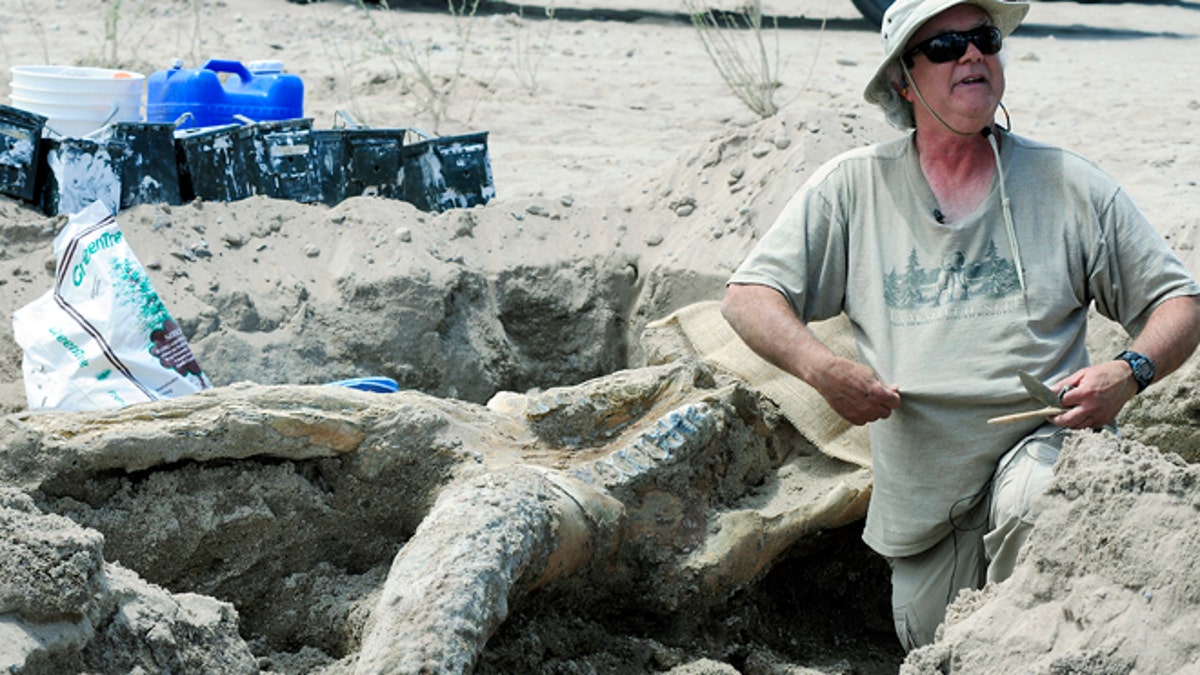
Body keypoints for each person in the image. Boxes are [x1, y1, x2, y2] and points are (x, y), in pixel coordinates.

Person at [720, 0, 1200, 652]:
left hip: (1041, 441)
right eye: (945, 46)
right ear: (903, 80)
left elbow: (1181, 300)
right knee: (932, 637)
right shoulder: (853, 189)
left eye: (984, 38)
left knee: (1040, 504)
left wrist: (1129, 371)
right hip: (926, 502)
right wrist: (821, 368)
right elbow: (748, 296)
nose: (972, 54)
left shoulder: (1068, 184)